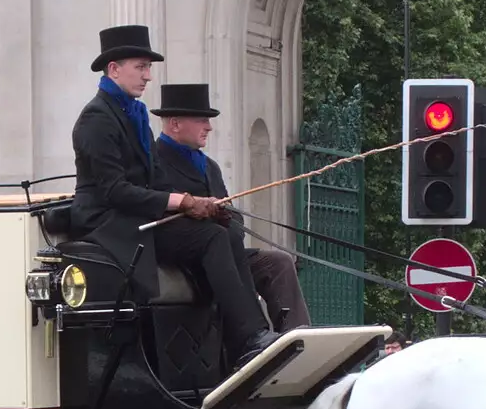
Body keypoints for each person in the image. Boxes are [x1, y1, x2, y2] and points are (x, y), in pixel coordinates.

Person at [68, 26, 279, 368]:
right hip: (107, 222)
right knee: (211, 238)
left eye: (148, 68)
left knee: (224, 229)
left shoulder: (133, 114)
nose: (148, 76)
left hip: (139, 215)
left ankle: (253, 335)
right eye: (141, 67)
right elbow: (113, 191)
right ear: (114, 69)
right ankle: (247, 338)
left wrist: (201, 204)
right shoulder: (95, 119)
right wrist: (180, 203)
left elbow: (156, 177)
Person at [149, 82, 312, 333]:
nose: (209, 127)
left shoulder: (210, 166)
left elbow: (236, 222)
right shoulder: (155, 162)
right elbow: (158, 212)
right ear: (175, 123)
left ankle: (296, 337)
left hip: (227, 251)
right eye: (202, 120)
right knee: (220, 247)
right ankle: (253, 336)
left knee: (278, 263)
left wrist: (224, 216)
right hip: (191, 257)